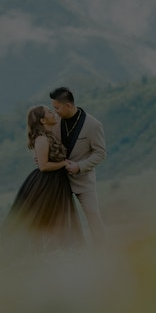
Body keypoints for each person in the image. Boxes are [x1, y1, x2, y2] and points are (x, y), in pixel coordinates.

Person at [0, 104, 83, 254]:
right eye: (49, 112)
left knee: (55, 219)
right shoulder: (42, 139)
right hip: (47, 183)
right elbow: (43, 166)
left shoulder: (49, 135)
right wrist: (64, 163)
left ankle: (56, 251)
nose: (53, 113)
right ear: (43, 120)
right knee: (39, 219)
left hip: (57, 182)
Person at [49, 86, 107, 245]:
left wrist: (80, 166)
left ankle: (104, 249)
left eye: (57, 108)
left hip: (83, 180)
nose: (54, 111)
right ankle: (65, 251)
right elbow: (46, 139)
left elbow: (100, 153)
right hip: (58, 180)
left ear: (68, 105)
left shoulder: (93, 125)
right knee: (58, 219)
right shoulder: (54, 121)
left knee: (93, 215)